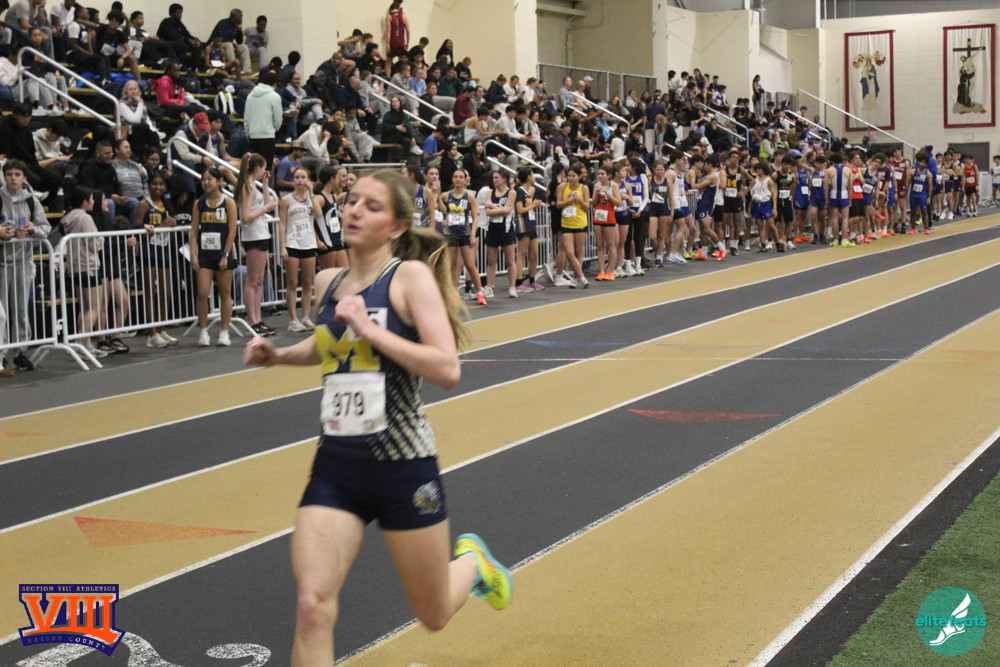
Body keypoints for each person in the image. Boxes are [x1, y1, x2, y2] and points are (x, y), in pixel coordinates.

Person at [243, 169, 512, 665]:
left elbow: (446, 367)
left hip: (402, 465)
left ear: (396, 226)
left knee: (432, 613)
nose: (354, 211)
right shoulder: (328, 282)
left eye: (372, 206)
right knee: (312, 605)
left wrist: (371, 330)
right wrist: (277, 356)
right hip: (337, 466)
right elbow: (328, 345)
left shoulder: (408, 278)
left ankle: (473, 564)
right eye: (351, 201)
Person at [0, 158, 50, 372]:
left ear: (24, 178)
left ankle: (20, 351)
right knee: (2, 312)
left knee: (21, 308)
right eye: (9, 174)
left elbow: (45, 228)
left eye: (17, 175)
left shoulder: (32, 202)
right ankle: (1, 353)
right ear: (4, 176)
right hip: (2, 263)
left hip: (23, 262)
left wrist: (32, 230)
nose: (13, 178)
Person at [190, 168, 238, 347]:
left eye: (209, 179)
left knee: (225, 292)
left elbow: (232, 230)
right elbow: (194, 231)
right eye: (204, 179)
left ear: (219, 181)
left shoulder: (229, 202)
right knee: (202, 292)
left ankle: (224, 331)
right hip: (205, 253)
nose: (206, 182)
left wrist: (225, 254)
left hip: (223, 252)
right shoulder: (199, 203)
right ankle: (203, 331)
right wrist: (193, 254)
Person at [60, 186, 107, 360]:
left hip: (76, 267)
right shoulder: (85, 218)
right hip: (89, 266)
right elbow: (94, 244)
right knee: (94, 307)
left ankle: (86, 344)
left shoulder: (69, 218)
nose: (93, 202)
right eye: (91, 199)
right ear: (84, 202)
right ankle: (79, 342)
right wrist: (101, 239)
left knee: (85, 308)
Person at [137, 171, 180, 349]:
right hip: (148, 252)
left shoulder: (167, 204)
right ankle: (152, 333)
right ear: (149, 185)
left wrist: (172, 225)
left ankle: (161, 329)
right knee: (150, 292)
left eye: (161, 184)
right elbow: (137, 228)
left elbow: (170, 229)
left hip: (164, 250)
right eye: (154, 184)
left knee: (165, 292)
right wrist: (160, 226)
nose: (158, 187)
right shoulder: (144, 204)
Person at [236, 153, 277, 337]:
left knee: (260, 279)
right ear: (258, 168)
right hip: (253, 235)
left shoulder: (255, 186)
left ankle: (258, 319)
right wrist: (264, 209)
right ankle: (252, 321)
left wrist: (266, 185)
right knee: (252, 280)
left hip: (261, 233)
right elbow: (246, 216)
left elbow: (267, 203)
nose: (264, 172)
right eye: (263, 169)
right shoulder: (247, 186)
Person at [279, 167, 321, 333]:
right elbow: (282, 223)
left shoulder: (312, 198)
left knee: (307, 283)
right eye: (297, 177)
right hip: (292, 243)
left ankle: (305, 317)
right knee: (292, 283)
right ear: (293, 180)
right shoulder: (286, 200)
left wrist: (311, 194)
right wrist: (282, 245)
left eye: (303, 177)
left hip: (309, 243)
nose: (300, 180)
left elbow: (318, 214)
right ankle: (293, 319)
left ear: (308, 180)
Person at [438, 168, 486, 304]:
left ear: (465, 180)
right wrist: (442, 218)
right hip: (450, 234)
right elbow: (442, 211)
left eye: (460, 177)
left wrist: (473, 235)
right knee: (452, 265)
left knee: (470, 265)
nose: (458, 179)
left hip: (465, 233)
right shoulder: (445, 196)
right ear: (452, 179)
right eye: (455, 176)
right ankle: (454, 293)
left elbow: (476, 217)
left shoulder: (469, 196)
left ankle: (479, 292)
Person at [482, 171, 519, 299]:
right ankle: (489, 287)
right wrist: (500, 209)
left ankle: (512, 287)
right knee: (491, 261)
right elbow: (488, 212)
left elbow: (506, 212)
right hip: (492, 229)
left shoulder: (511, 193)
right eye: (493, 178)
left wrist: (492, 206)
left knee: (510, 260)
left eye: (497, 178)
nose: (494, 180)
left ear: (504, 179)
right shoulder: (489, 192)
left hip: (506, 229)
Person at [555, 165, 589, 287]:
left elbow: (587, 207)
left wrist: (579, 199)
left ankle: (575, 278)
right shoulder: (562, 187)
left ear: (579, 177)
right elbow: (558, 204)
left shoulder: (584, 188)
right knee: (569, 252)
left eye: (573, 176)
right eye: (569, 175)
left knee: (579, 251)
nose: (571, 178)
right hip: (566, 223)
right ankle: (582, 277)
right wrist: (569, 201)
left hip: (580, 222)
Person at [513, 168, 544, 292]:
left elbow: (528, 206)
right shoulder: (519, 191)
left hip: (531, 222)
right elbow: (520, 210)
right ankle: (518, 282)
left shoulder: (528, 191)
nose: (534, 177)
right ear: (528, 177)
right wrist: (533, 205)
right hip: (523, 223)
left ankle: (532, 281)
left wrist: (534, 205)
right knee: (522, 254)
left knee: (534, 254)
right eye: (532, 175)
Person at [314, 165, 349, 271]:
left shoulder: (333, 196)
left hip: (336, 238)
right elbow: (311, 221)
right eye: (337, 177)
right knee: (328, 274)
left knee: (345, 271)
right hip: (326, 241)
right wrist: (318, 241)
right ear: (332, 179)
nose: (338, 180)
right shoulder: (320, 198)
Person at [246, 70, 283, 166]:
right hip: (267, 136)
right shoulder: (275, 96)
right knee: (266, 167)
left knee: (255, 168)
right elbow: (278, 119)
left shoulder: (250, 96)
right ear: (275, 83)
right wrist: (273, 129)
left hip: (253, 135)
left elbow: (246, 117)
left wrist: (248, 133)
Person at [591, 165, 620, 280]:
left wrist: (608, 193)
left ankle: (611, 271)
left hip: (609, 216)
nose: (600, 176)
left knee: (611, 244)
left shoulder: (613, 186)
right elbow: (593, 203)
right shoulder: (596, 185)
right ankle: (602, 271)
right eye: (599, 174)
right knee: (599, 245)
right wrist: (596, 194)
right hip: (598, 216)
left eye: (602, 174)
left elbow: (618, 202)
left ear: (609, 175)